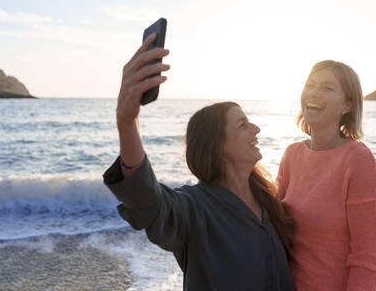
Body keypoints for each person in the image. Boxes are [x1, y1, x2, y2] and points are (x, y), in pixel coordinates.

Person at [103, 33, 294, 291]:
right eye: (243, 124)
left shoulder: (271, 200)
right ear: (218, 146)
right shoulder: (194, 209)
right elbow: (149, 204)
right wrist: (127, 122)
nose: (256, 129)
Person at [277, 60, 376, 291]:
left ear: (346, 105)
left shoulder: (358, 160)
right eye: (310, 85)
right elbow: (271, 226)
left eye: (327, 88)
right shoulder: (291, 155)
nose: (314, 93)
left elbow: (366, 259)